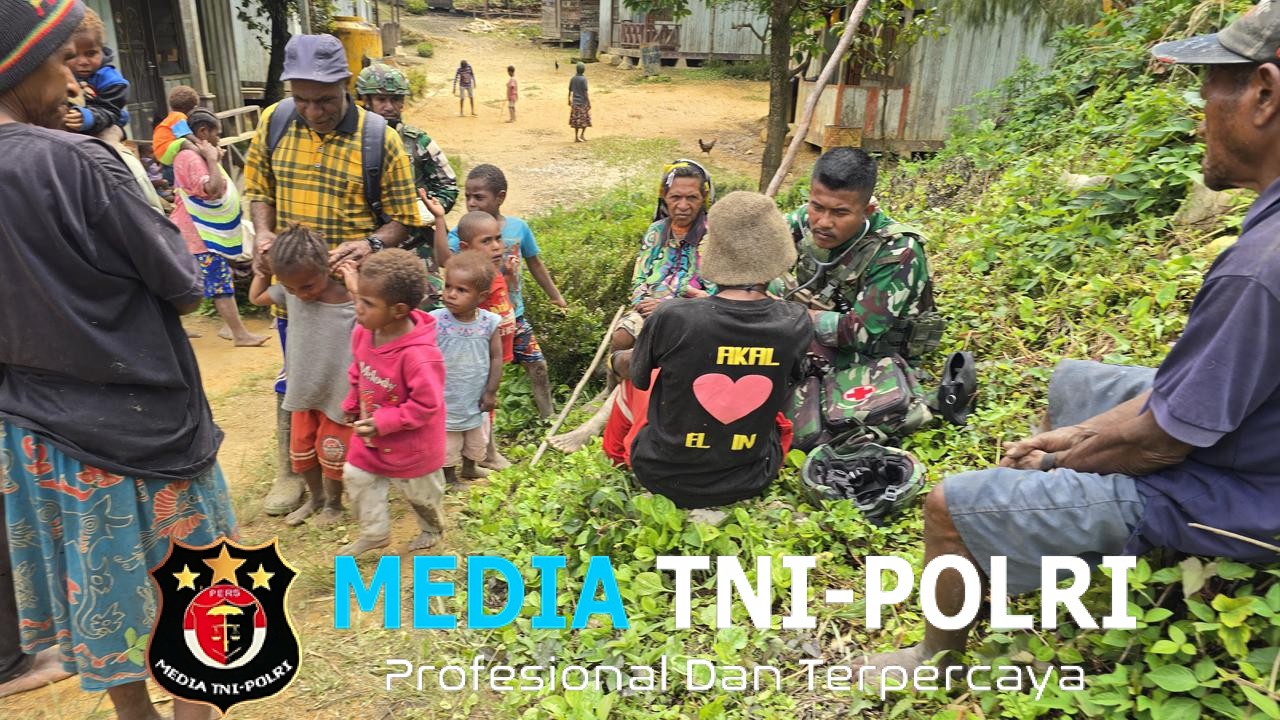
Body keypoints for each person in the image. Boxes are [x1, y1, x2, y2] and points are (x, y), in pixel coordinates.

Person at [855, 6, 1280, 674]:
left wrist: (1061, 463)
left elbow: (1162, 441)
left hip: (1246, 495)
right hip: (1255, 437)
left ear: (1264, 93)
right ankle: (1048, 544)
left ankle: (937, 658)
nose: (1200, 119)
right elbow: (1179, 397)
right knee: (1074, 384)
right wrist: (1076, 435)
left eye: (1207, 94)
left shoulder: (1259, 270)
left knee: (947, 506)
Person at [0, 2, 235, 716]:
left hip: (34, 430)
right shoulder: (77, 161)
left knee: (99, 590)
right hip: (143, 425)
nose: (74, 79)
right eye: (59, 61)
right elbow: (183, 285)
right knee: (197, 592)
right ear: (19, 70)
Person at [244, 33, 421, 516]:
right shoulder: (274, 121)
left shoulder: (378, 138)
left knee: (357, 384)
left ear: (346, 85)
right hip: (296, 293)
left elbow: (404, 219)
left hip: (352, 302)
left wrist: (371, 244)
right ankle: (290, 470)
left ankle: (357, 470)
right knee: (295, 375)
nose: (312, 110)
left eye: (323, 100)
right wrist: (264, 234)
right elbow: (259, 189)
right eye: (301, 99)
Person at [626, 192, 810, 507]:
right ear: (777, 257)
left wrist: (619, 362)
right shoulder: (795, 321)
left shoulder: (672, 315)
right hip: (752, 477)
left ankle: (616, 452)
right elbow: (789, 383)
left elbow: (640, 379)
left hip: (659, 473)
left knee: (641, 381)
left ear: (712, 254)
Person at [778, 148, 942, 446]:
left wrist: (782, 313)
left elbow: (858, 332)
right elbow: (756, 258)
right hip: (812, 330)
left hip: (871, 356)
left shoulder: (897, 251)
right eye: (817, 206)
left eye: (840, 213)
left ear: (867, 211)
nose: (823, 222)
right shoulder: (803, 220)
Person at [550, 160, 715, 454]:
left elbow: (713, 293)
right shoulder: (656, 232)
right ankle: (610, 389)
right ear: (664, 197)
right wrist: (641, 302)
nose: (683, 205)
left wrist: (668, 304)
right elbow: (639, 278)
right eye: (676, 197)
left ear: (704, 198)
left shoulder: (711, 236)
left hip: (689, 316)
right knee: (621, 337)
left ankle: (603, 420)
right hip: (648, 308)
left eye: (692, 197)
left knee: (648, 353)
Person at [340, 249, 449, 556]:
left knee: (422, 495)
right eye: (359, 298)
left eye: (367, 303)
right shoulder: (364, 333)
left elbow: (426, 406)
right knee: (357, 476)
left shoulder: (419, 356)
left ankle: (432, 528)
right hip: (371, 439)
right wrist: (352, 403)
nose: (358, 307)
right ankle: (374, 533)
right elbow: (358, 370)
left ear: (398, 310)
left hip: (413, 446)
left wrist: (383, 422)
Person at [250, 225, 356, 528]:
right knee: (302, 452)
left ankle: (334, 504)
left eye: (307, 286)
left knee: (333, 454)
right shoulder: (291, 292)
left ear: (326, 267)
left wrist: (354, 283)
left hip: (338, 395)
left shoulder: (349, 301)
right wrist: (262, 271)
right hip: (302, 392)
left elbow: (369, 317)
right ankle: (316, 498)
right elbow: (256, 297)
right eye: (291, 288)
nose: (300, 294)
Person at [446, 164, 566, 420]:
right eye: (468, 197)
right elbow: (445, 261)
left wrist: (555, 295)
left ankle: (548, 419)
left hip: (514, 316)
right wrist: (437, 223)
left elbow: (535, 263)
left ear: (500, 197)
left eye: (479, 197)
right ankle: (477, 427)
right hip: (480, 322)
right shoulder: (461, 233)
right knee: (483, 377)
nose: (471, 203)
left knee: (538, 365)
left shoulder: (518, 228)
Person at [355, 62, 459, 309]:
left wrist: (423, 209)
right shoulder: (350, 144)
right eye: (381, 99)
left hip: (415, 248)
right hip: (367, 249)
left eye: (395, 99)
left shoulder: (417, 141)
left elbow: (448, 185)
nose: (389, 106)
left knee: (428, 313)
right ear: (366, 101)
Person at [171, 108, 269, 347]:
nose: (219, 139)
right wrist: (213, 160)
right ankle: (239, 334)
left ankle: (226, 329)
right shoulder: (191, 158)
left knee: (203, 282)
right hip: (199, 235)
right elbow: (212, 189)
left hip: (195, 233)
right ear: (203, 131)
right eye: (217, 134)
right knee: (220, 283)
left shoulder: (193, 155)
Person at [441, 210, 518, 470]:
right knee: (472, 412)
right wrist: (440, 221)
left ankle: (479, 457)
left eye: (498, 239)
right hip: (470, 364)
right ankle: (487, 455)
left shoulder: (493, 274)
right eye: (486, 241)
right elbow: (444, 259)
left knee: (483, 411)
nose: (496, 246)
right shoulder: (469, 283)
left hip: (494, 356)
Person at [430, 251, 504, 484]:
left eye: (461, 290)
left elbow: (496, 358)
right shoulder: (435, 320)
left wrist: (491, 392)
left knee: (476, 437)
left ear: (481, 296)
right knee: (448, 440)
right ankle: (449, 477)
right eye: (448, 286)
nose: (451, 294)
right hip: (445, 396)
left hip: (475, 395)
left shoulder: (489, 323)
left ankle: (470, 468)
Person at [62, 7, 128, 137]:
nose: (83, 62)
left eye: (91, 53)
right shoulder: (57, 73)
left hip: (103, 131)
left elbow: (111, 111)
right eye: (73, 55)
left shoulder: (113, 82)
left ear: (102, 50)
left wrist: (89, 117)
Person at [152, 84, 198, 181]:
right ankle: (203, 154)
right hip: (164, 149)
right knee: (184, 142)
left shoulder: (172, 116)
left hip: (162, 152)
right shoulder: (179, 116)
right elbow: (186, 135)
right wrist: (201, 143)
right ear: (186, 107)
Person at [568, 62, 590, 142]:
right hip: (582, 102)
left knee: (576, 121)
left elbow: (570, 90)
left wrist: (569, 100)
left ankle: (576, 137)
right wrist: (589, 102)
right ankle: (582, 135)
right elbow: (585, 92)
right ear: (583, 70)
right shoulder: (584, 79)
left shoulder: (573, 79)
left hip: (575, 102)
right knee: (585, 119)